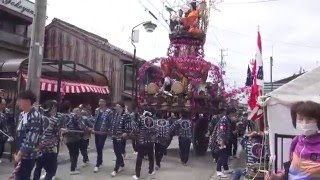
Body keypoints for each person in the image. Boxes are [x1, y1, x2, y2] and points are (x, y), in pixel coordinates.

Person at [266, 101, 320, 180]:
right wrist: (277, 177)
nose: (305, 123)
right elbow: (291, 167)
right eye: (300, 119)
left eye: (310, 119)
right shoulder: (296, 141)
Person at [14, 90, 42, 180]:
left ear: (28, 101)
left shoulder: (35, 116)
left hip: (28, 155)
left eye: (20, 100)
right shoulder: (22, 114)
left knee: (22, 177)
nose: (18, 103)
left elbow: (31, 138)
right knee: (19, 176)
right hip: (19, 152)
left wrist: (20, 153)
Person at [33, 100, 61, 180]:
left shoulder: (37, 118)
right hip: (50, 150)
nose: (55, 110)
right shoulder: (55, 120)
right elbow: (57, 136)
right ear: (52, 108)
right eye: (55, 108)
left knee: (38, 168)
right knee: (51, 171)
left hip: (38, 149)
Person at [61, 104, 87, 175]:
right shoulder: (73, 115)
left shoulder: (61, 116)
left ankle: (74, 166)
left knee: (71, 152)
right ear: (69, 108)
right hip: (74, 136)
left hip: (66, 137)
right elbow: (79, 125)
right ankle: (73, 169)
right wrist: (85, 129)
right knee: (75, 153)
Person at [107, 101, 131, 177]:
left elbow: (129, 125)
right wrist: (110, 130)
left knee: (119, 152)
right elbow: (113, 124)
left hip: (121, 137)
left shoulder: (126, 115)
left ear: (121, 107)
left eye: (117, 106)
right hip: (114, 136)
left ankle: (115, 169)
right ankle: (122, 164)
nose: (115, 107)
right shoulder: (116, 114)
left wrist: (126, 132)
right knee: (116, 151)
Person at [132, 111, 156, 180]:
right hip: (150, 142)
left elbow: (135, 129)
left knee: (139, 158)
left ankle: (137, 175)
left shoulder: (141, 120)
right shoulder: (153, 121)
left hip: (142, 142)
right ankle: (151, 171)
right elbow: (154, 131)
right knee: (151, 157)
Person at [92, 99, 112, 173]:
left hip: (103, 132)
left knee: (100, 146)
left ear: (105, 103)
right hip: (96, 130)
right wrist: (92, 128)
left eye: (102, 101)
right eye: (99, 101)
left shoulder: (109, 111)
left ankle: (97, 164)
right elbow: (94, 119)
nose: (100, 103)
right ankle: (100, 160)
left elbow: (110, 121)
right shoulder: (97, 110)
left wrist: (109, 130)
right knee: (98, 147)